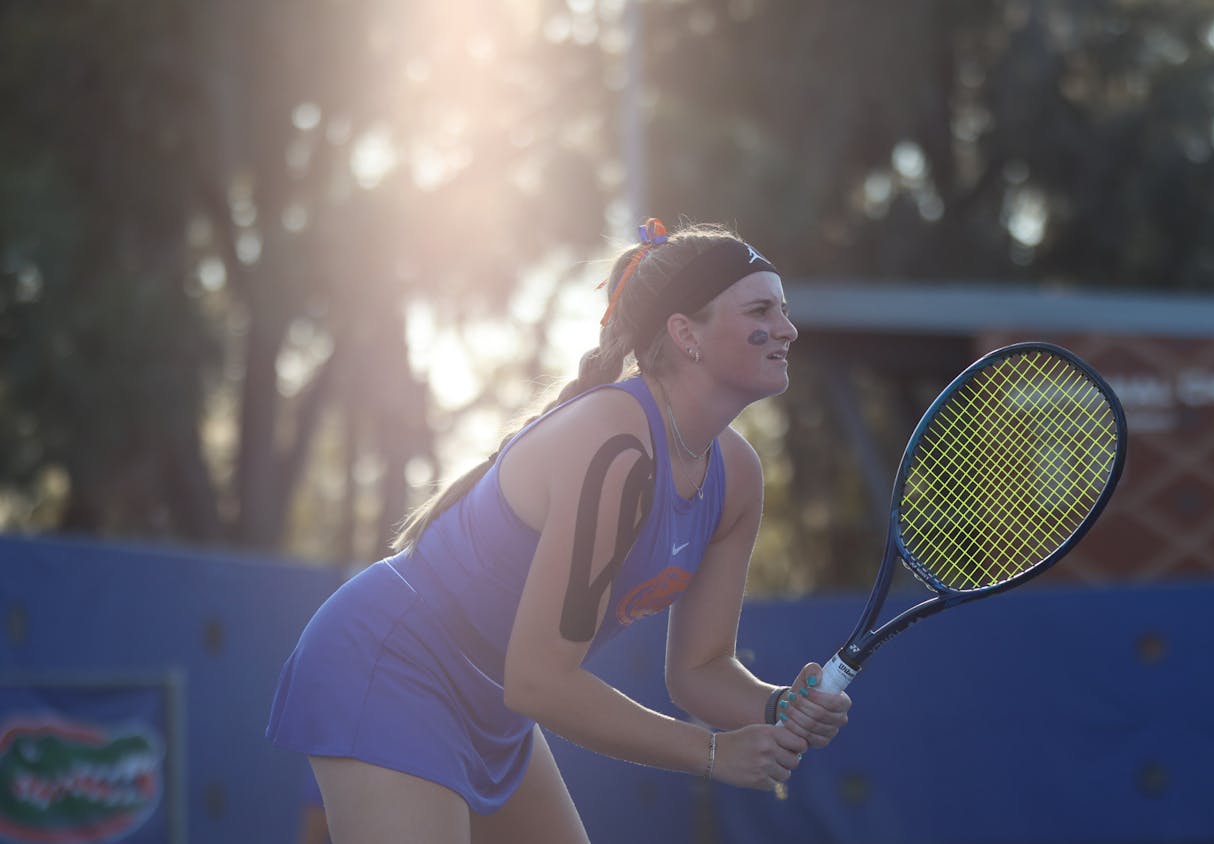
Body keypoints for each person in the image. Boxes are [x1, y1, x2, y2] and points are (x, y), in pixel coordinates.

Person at [266, 218, 853, 843]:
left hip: (496, 702)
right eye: (762, 309)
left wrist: (776, 706)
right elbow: (540, 680)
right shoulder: (619, 446)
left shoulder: (737, 475)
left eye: (784, 310)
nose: (788, 328)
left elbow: (701, 669)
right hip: (391, 663)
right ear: (686, 334)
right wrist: (713, 753)